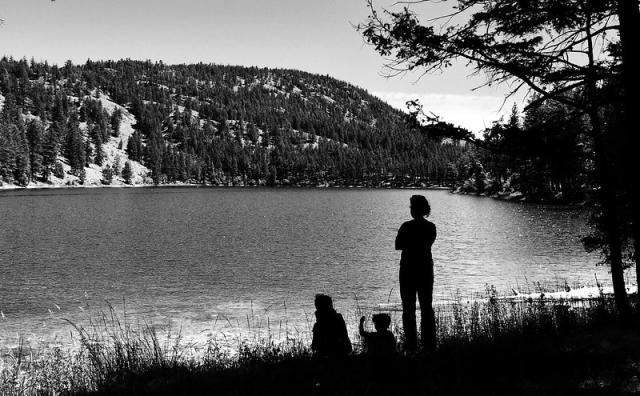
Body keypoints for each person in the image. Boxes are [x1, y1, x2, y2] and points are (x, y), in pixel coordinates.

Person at [395, 195, 437, 352]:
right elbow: (427, 244)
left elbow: (398, 245)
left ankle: (411, 345)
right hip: (426, 269)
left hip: (407, 270)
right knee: (426, 308)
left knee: (408, 309)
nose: (411, 210)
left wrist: (408, 242)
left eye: (411, 207)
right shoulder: (431, 227)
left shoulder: (406, 226)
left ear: (415, 209)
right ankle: (429, 345)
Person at [311, 294, 352, 358]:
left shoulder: (320, 324)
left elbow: (315, 346)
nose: (316, 309)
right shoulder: (338, 318)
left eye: (317, 306)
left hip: (336, 353)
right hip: (342, 352)